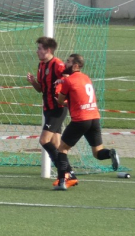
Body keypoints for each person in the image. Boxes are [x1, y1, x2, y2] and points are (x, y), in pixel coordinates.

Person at [53, 54, 120, 190]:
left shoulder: (69, 81)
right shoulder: (86, 78)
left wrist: (63, 97)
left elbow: (60, 100)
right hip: (94, 118)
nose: (65, 64)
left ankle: (62, 182)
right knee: (97, 153)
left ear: (76, 65)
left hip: (80, 120)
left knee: (62, 149)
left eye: (69, 62)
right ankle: (110, 153)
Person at [26, 36, 67, 186]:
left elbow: (69, 79)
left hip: (58, 108)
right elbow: (41, 89)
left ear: (47, 50)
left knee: (44, 140)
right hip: (47, 109)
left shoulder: (58, 64)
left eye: (39, 48)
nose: (37, 51)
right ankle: (66, 172)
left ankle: (66, 171)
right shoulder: (41, 66)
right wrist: (33, 82)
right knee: (57, 145)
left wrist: (63, 83)